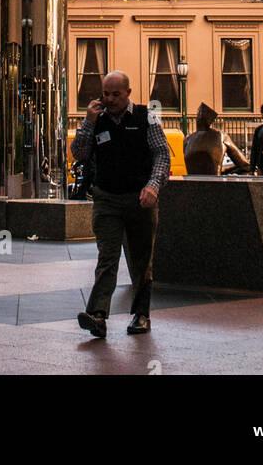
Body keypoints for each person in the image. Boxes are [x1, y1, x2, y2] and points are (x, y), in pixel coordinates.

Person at [71, 70, 170, 338]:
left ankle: (141, 315)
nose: (110, 99)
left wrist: (153, 185)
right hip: (107, 199)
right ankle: (98, 315)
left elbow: (162, 153)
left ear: (128, 92)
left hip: (140, 199)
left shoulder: (145, 116)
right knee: (107, 257)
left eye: (116, 94)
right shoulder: (96, 120)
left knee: (141, 260)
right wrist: (88, 122)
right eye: (106, 93)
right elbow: (78, 153)